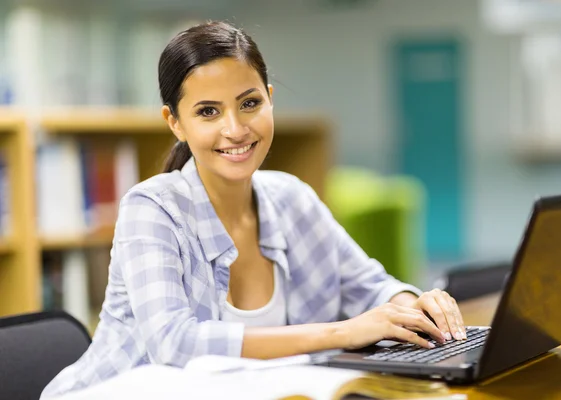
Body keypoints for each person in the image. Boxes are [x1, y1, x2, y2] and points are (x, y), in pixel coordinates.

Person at [41, 20, 466, 398]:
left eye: (249, 103)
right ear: (175, 123)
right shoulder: (153, 209)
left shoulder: (291, 198)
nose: (235, 129)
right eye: (208, 112)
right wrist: (341, 333)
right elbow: (175, 343)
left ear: (270, 99)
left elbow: (370, 286)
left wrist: (417, 306)